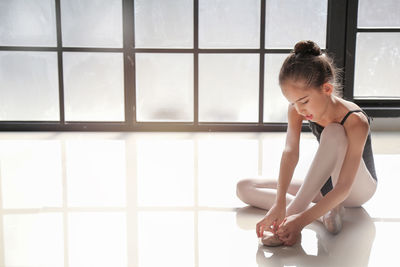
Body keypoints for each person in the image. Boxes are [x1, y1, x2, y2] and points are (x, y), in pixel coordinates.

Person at [236, 40, 378, 246]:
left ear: (327, 89)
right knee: (245, 187)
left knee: (334, 132)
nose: (300, 110)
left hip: (356, 190)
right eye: (293, 103)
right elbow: (290, 152)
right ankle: (324, 215)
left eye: (304, 101)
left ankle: (291, 218)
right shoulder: (297, 110)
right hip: (329, 187)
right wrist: (279, 202)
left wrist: (299, 221)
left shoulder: (355, 120)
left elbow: (345, 186)